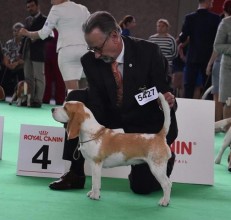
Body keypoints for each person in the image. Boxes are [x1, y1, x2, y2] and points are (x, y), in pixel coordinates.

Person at [49, 11, 178, 195]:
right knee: (76, 98)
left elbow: (164, 90)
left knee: (142, 187)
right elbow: (96, 99)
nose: (95, 55)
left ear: (115, 37)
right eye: (91, 49)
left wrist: (166, 99)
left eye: (98, 48)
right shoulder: (90, 61)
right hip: (111, 109)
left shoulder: (149, 52)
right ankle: (75, 172)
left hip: (143, 117)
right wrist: (83, 124)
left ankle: (165, 157)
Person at [19, 0, 90, 91]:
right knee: (83, 88)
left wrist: (27, 33)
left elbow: (43, 34)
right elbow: (91, 29)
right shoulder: (83, 8)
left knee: (72, 92)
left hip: (67, 51)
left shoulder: (56, 9)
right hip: (85, 51)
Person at [178, 0, 220, 99]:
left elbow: (183, 37)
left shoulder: (190, 17)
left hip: (193, 56)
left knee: (188, 86)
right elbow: (217, 39)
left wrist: (181, 35)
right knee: (208, 86)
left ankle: (186, 110)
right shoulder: (215, 18)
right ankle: (207, 110)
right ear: (208, 2)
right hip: (208, 57)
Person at [19, 0, 47, 108]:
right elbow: (24, 38)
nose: (30, 8)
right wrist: (21, 52)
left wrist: (35, 38)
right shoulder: (28, 20)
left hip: (38, 51)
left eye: (32, 6)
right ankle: (27, 98)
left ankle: (38, 100)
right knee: (28, 77)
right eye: (28, 7)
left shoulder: (44, 20)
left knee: (39, 77)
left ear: (37, 6)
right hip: (27, 51)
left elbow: (48, 36)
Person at [214, 0, 231, 119]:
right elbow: (217, 46)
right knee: (229, 102)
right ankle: (227, 135)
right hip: (228, 68)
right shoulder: (226, 23)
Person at [1, 22, 25, 96]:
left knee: (23, 71)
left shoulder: (25, 43)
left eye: (18, 31)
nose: (16, 33)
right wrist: (9, 65)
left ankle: (22, 95)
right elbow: (6, 57)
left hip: (21, 66)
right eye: (14, 31)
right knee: (4, 71)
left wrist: (17, 63)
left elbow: (26, 59)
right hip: (10, 65)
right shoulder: (9, 43)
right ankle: (2, 94)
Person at [43, 29, 65, 105]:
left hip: (58, 55)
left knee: (59, 80)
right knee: (47, 79)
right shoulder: (49, 27)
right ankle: (45, 98)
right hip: (47, 55)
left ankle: (59, 100)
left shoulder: (62, 28)